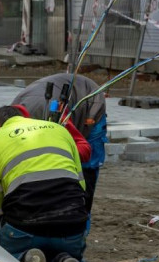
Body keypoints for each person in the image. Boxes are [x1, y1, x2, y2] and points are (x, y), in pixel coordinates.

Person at [0, 105, 88, 262]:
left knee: (0, 245)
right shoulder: (59, 130)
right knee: (61, 244)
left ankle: (25, 259)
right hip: (72, 229)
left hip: (25, 229)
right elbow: (81, 186)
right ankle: (65, 261)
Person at [12, 73, 108, 213]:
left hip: (89, 100)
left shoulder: (55, 115)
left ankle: (83, 215)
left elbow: (83, 150)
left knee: (87, 168)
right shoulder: (11, 117)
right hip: (51, 97)